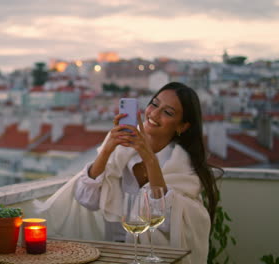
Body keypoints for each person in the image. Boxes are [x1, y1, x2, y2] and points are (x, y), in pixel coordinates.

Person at [33, 82, 218, 264]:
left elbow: (166, 221)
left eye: (167, 112)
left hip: (156, 258)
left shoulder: (183, 168)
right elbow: (86, 199)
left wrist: (149, 158)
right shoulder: (122, 149)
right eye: (154, 104)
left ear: (182, 126)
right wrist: (107, 150)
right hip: (113, 252)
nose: (153, 114)